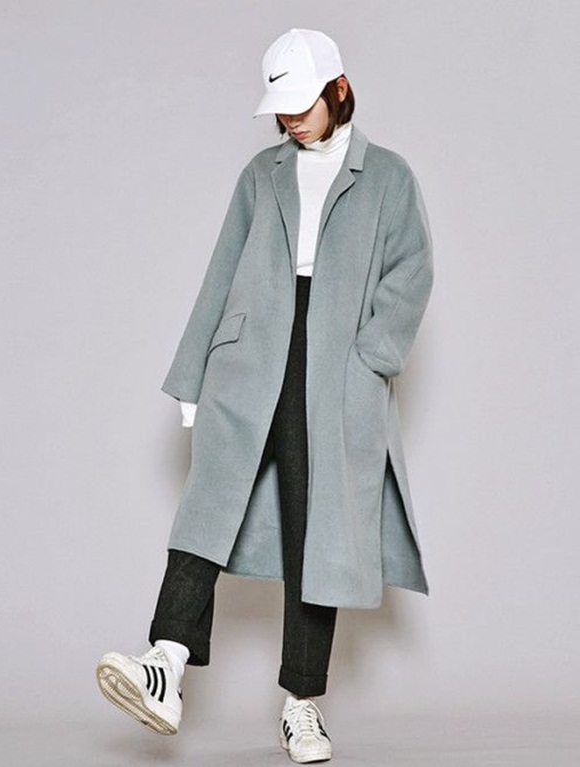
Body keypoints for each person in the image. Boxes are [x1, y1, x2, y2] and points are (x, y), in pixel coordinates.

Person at [96, 28, 433, 765]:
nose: (290, 120)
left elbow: (411, 273)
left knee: (317, 531)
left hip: (336, 363)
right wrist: (192, 375)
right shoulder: (261, 174)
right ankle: (165, 665)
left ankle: (302, 704)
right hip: (252, 358)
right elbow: (222, 271)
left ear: (339, 89)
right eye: (281, 109)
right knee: (209, 503)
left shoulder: (389, 177)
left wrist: (370, 360)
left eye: (301, 104)